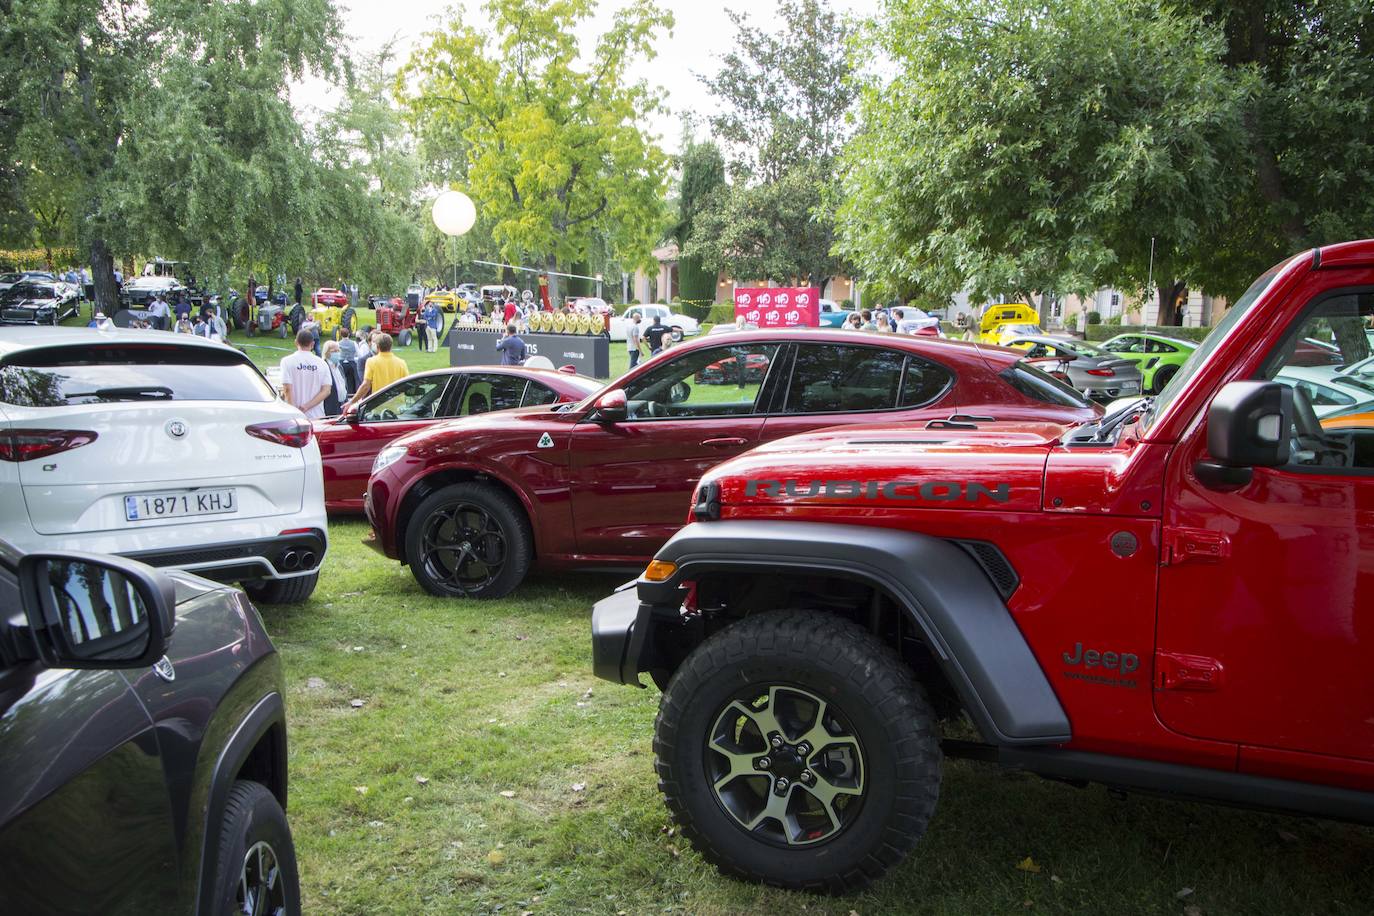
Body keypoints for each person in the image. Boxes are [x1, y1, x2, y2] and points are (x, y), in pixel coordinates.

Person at [279, 329, 333, 420]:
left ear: (296, 343)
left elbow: (287, 389)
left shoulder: (287, 361)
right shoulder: (322, 363)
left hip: (295, 416)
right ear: (312, 344)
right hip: (316, 415)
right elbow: (326, 390)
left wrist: (293, 412)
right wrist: (307, 406)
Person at [347, 333, 408, 408]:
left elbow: (366, 386)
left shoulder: (371, 362)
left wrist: (352, 402)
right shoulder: (401, 363)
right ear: (391, 346)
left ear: (377, 346)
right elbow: (406, 384)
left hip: (379, 405)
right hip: (398, 405)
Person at [321, 339, 350, 414]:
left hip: (342, 404)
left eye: (338, 351)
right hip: (330, 406)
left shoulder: (339, 366)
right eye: (334, 351)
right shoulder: (323, 366)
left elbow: (344, 384)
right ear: (326, 352)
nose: (337, 353)